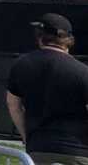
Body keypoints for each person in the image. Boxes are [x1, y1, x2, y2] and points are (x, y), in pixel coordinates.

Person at [7, 13, 88, 164]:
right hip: (78, 151)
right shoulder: (82, 71)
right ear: (69, 40)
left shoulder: (20, 65)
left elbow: (13, 105)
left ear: (39, 37)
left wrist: (27, 137)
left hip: (38, 149)